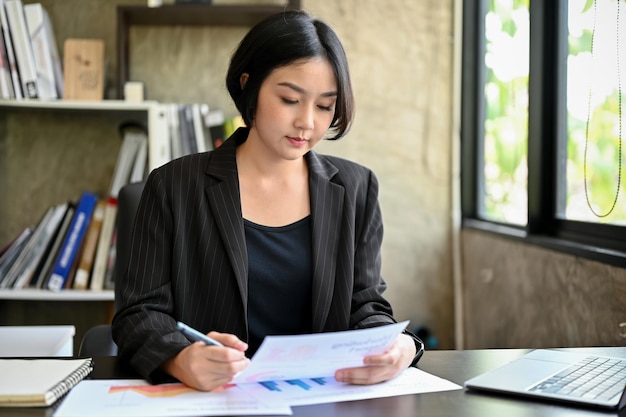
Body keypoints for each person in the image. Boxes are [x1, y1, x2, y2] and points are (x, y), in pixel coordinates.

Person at [112, 9, 423, 392]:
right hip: (211, 398)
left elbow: (366, 306)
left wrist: (403, 347)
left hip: (319, 397)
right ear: (249, 86)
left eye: (325, 106)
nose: (307, 122)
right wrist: (180, 359)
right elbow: (138, 314)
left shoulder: (357, 189)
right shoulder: (173, 185)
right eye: (290, 99)